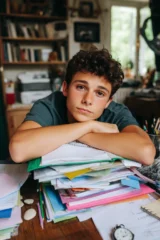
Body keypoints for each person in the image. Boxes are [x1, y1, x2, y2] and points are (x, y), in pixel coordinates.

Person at [9, 48, 155, 165]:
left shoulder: (116, 112)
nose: (88, 100)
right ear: (65, 88)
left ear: (108, 101)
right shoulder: (50, 105)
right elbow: (18, 150)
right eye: (80, 87)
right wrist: (89, 126)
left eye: (99, 93)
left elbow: (146, 152)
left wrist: (83, 134)